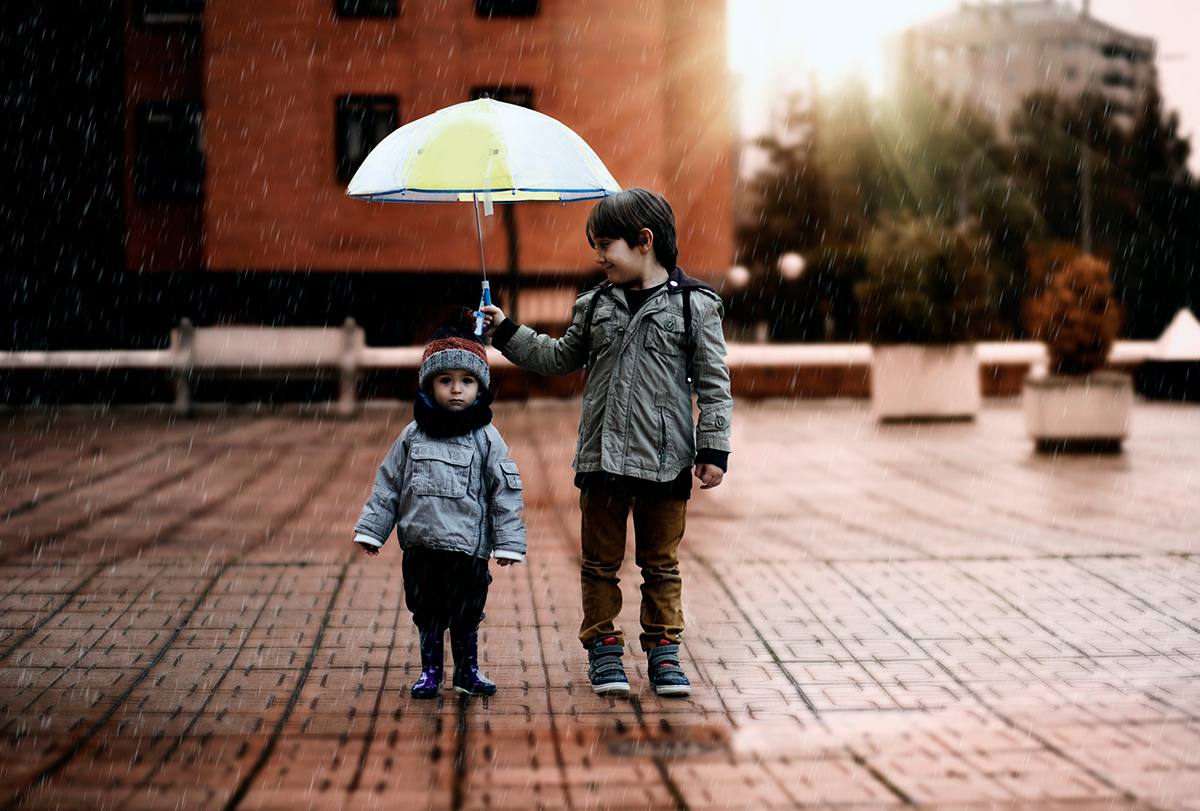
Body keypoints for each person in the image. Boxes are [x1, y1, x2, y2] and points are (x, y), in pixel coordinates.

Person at [482, 187, 732, 697]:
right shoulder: (594, 305)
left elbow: (714, 382)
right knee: (598, 564)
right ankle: (604, 649)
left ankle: (664, 652)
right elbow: (557, 358)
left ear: (644, 241)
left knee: (660, 565)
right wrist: (505, 330)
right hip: (601, 459)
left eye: (605, 245)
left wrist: (712, 449)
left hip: (667, 461)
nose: (598, 257)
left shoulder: (693, 306)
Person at [353, 310, 527, 698]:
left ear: (479, 388)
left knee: (466, 613)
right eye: (444, 380)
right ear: (428, 384)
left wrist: (509, 541)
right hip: (421, 547)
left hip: (467, 548)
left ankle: (467, 670)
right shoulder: (413, 435)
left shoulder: (486, 437)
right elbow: (389, 484)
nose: (455, 389)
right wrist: (373, 529)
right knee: (427, 612)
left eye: (466, 381)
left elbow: (504, 490)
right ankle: (430, 671)